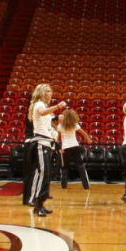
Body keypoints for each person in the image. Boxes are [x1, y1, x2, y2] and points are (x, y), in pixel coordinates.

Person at [24, 83, 66, 217]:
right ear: (41, 93)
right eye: (47, 91)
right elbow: (42, 112)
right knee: (43, 174)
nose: (50, 93)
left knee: (45, 174)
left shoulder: (45, 107)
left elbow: (48, 122)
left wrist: (57, 119)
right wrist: (58, 106)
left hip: (47, 143)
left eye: (50, 91)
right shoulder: (39, 105)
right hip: (40, 143)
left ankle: (40, 203)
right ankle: (37, 203)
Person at [57, 108, 92, 189]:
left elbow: (58, 139)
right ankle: (86, 185)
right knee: (80, 166)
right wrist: (88, 139)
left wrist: (59, 147)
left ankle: (63, 186)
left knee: (64, 168)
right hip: (75, 147)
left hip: (65, 148)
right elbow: (83, 133)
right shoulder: (75, 125)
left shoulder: (59, 126)